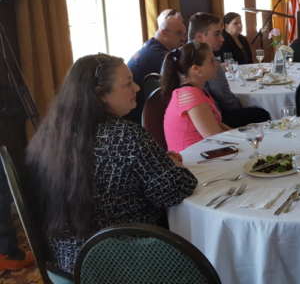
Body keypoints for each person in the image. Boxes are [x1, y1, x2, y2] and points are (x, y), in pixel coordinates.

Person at [25, 54, 197, 278]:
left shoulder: (49, 137)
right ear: (100, 94)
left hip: (68, 266)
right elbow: (175, 189)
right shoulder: (126, 135)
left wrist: (155, 161)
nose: (136, 87)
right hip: (128, 264)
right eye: (127, 83)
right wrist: (173, 166)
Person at [188, 12, 270, 127]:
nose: (222, 39)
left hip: (196, 119)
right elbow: (226, 101)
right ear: (199, 37)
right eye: (216, 34)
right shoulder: (207, 61)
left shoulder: (183, 56)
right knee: (262, 113)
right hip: (213, 119)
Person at [162, 41, 231, 151]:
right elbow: (215, 137)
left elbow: (217, 124)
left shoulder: (197, 90)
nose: (216, 64)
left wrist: (242, 136)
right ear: (196, 69)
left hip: (204, 153)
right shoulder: (190, 95)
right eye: (212, 61)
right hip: (191, 161)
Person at [125, 16, 187, 124]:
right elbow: (185, 80)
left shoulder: (150, 46)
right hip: (141, 116)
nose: (183, 38)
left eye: (184, 34)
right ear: (163, 32)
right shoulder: (158, 56)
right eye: (179, 33)